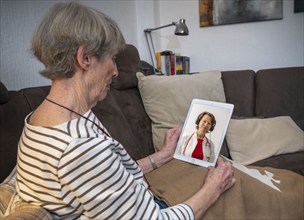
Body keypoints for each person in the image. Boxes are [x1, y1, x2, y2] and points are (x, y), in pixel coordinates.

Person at [14, 2, 235, 219]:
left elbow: (107, 177)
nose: (116, 71)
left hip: (138, 201)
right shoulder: (78, 147)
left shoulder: (41, 118)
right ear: (85, 58)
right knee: (232, 187)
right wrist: (214, 187)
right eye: (113, 58)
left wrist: (163, 155)